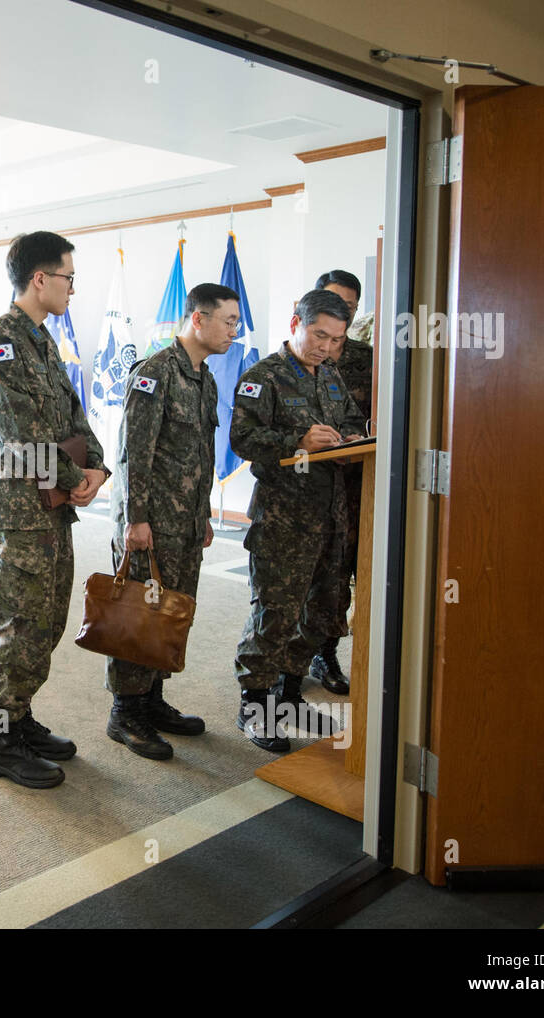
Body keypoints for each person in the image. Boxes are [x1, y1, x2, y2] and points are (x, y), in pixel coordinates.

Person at [0, 231, 109, 789]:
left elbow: (73, 412)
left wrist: (95, 465)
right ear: (40, 279)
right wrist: (77, 478)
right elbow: (21, 436)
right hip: (19, 510)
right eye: (69, 277)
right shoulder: (0, 344)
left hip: (53, 506)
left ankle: (20, 719)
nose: (74, 288)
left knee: (49, 620)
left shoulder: (43, 342)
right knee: (22, 623)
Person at [104, 284, 239, 759]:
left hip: (183, 526)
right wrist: (135, 520)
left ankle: (152, 701)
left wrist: (201, 515)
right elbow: (133, 454)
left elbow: (199, 456)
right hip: (150, 527)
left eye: (236, 322)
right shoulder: (155, 373)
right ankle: (126, 712)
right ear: (198, 320)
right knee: (139, 616)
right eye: (228, 321)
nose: (234, 331)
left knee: (170, 614)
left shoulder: (205, 379)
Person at [230, 289, 366, 752]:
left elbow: (351, 420)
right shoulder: (262, 377)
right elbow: (242, 440)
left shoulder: (330, 377)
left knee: (323, 610)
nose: (325, 347)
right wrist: (297, 440)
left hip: (331, 515)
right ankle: (254, 704)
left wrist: (351, 438)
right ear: (296, 322)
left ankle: (287, 696)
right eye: (318, 334)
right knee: (275, 613)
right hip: (285, 519)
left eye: (335, 340)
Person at [310, 269, 373, 695]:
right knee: (299, 578)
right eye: (334, 303)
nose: (341, 314)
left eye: (349, 308)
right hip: (304, 490)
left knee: (339, 574)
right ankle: (283, 665)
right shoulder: (295, 359)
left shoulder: (366, 359)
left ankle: (326, 652)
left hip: (352, 488)